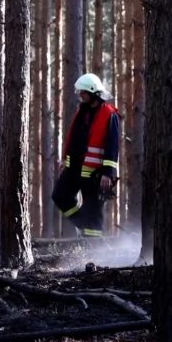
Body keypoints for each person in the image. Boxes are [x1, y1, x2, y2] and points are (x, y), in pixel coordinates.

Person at [52, 73, 121, 238]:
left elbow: (113, 146)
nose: (80, 95)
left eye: (83, 92)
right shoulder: (82, 112)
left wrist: (108, 173)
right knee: (60, 195)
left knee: (93, 215)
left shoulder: (110, 114)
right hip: (74, 169)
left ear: (92, 92)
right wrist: (65, 160)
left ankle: (94, 253)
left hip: (95, 174)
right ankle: (82, 224)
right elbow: (75, 139)